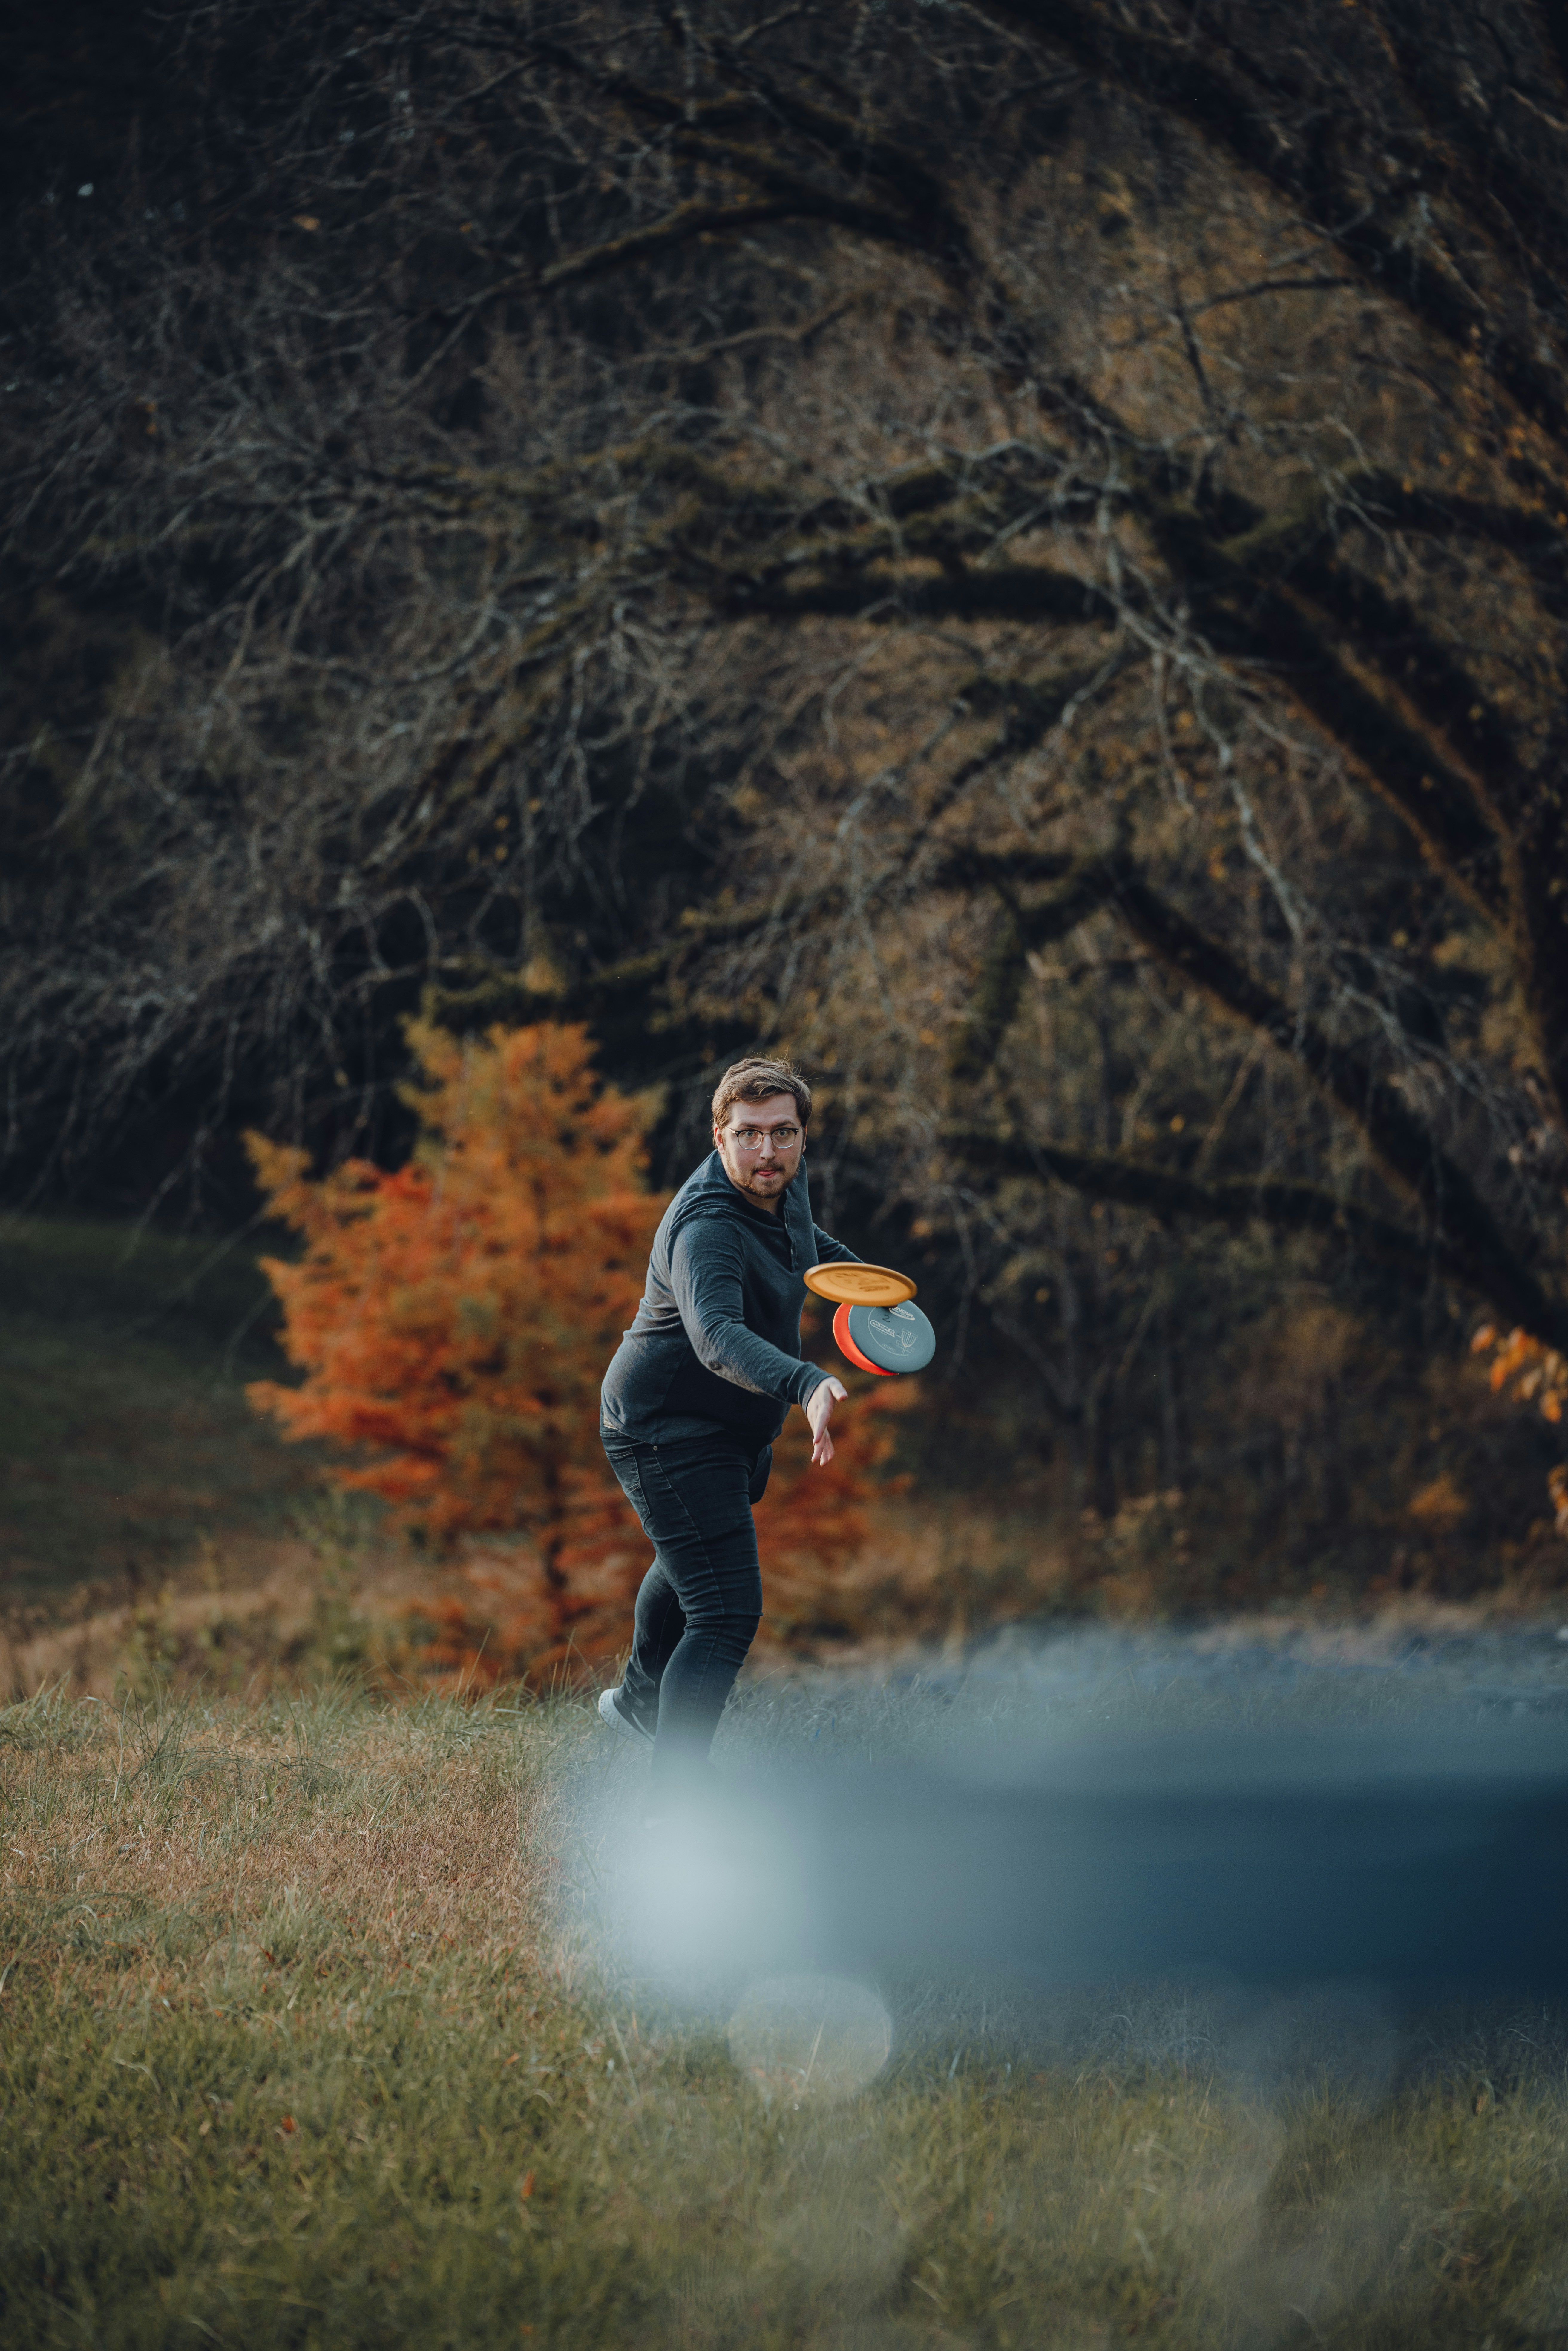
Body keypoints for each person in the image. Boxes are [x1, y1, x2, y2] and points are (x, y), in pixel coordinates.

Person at [597, 1056, 858, 1803]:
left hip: (729, 1421)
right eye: (748, 1134)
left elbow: (804, 1245)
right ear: (720, 1136)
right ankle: (675, 1806)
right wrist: (805, 1382)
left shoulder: (779, 1184)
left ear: (802, 1135)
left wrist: (874, 1287)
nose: (767, 1151)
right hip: (666, 1426)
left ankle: (639, 1700)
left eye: (783, 1132)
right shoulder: (706, 1225)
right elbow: (715, 1335)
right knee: (724, 1608)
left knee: (693, 1558)